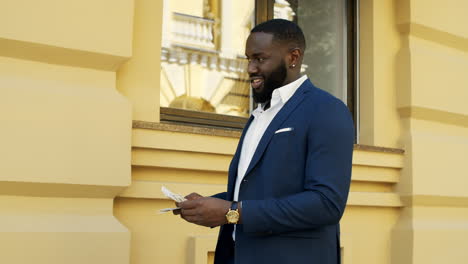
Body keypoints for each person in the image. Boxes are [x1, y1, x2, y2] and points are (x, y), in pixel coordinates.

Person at [175, 19, 354, 264]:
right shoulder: (259, 115)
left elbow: (326, 203)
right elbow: (258, 191)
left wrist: (232, 212)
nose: (250, 68)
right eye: (248, 59)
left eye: (260, 59)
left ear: (293, 57)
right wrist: (208, 205)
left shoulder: (327, 110)